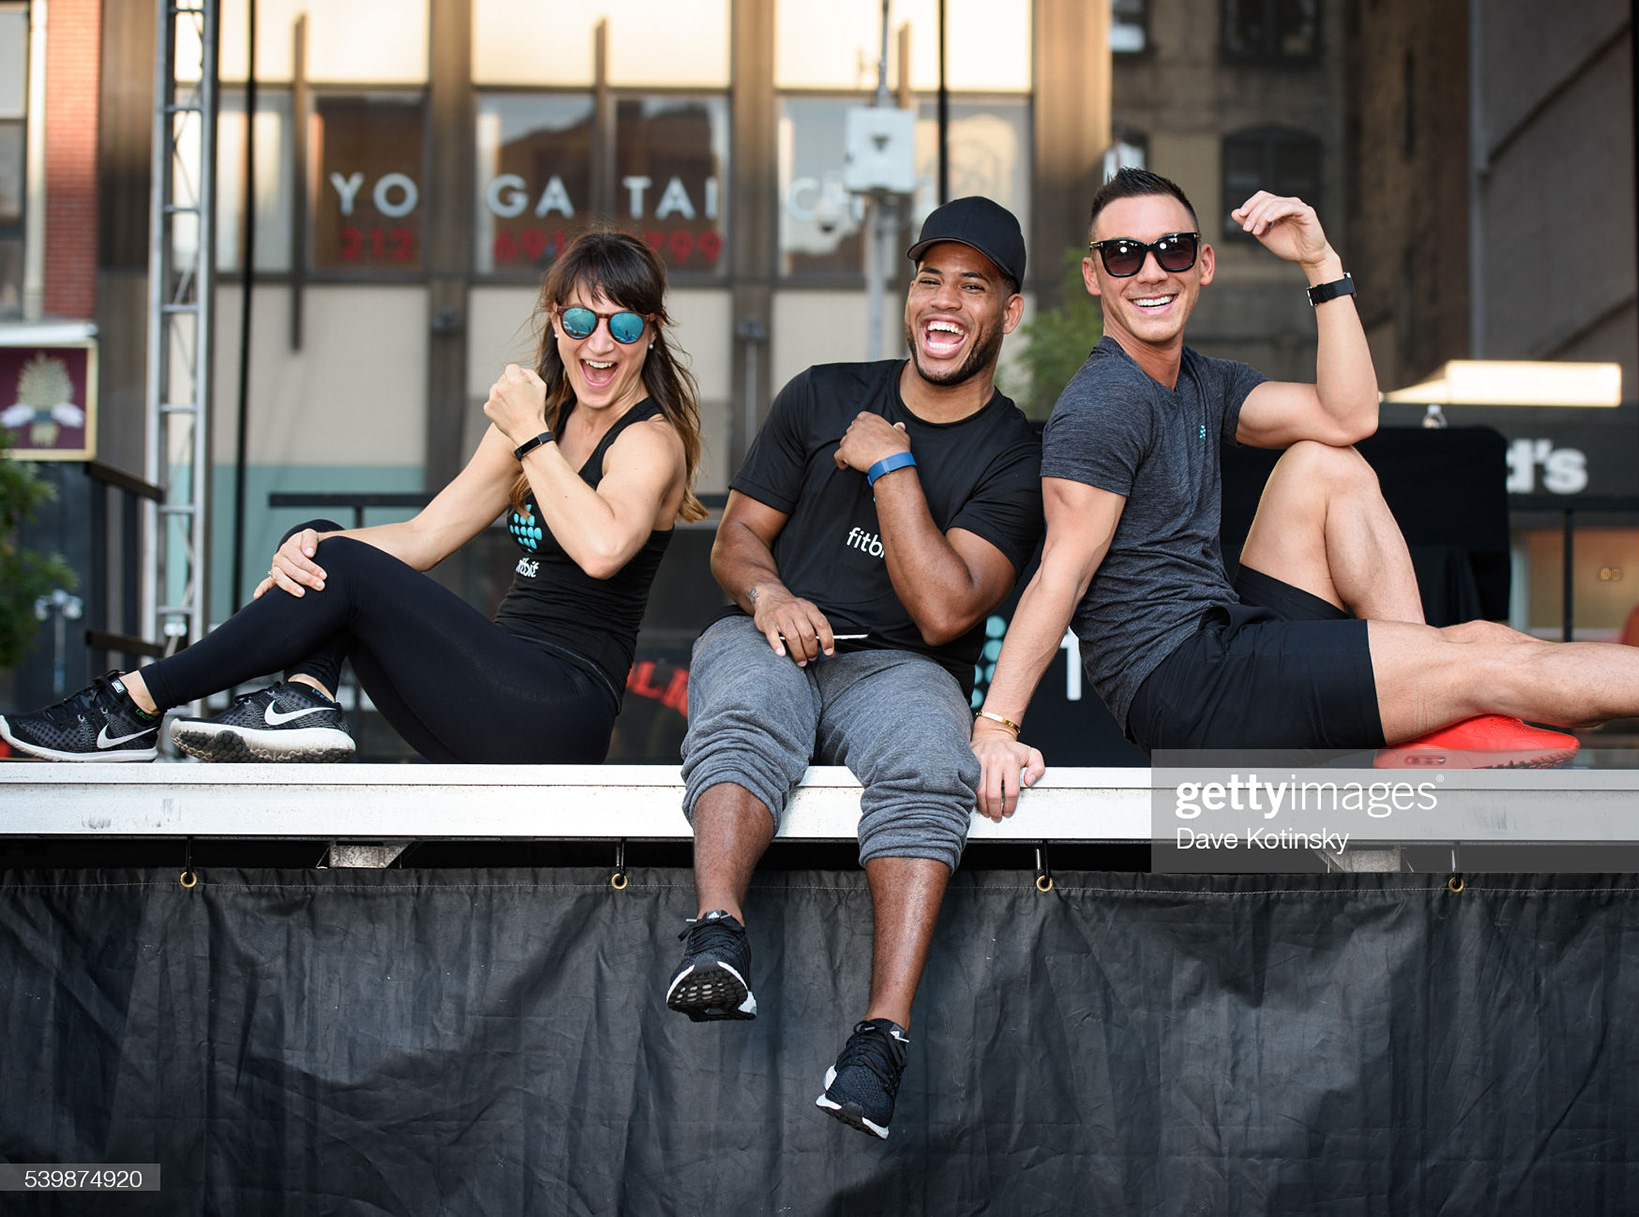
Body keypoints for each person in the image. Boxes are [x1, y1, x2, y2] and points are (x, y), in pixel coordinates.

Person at [968, 167, 1639, 815]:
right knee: (1487, 653)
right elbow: (1061, 572)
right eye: (1124, 256)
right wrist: (997, 726)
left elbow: (1350, 414)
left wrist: (1321, 263)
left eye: (1173, 249)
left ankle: (1432, 718)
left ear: (1203, 265)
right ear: (1094, 277)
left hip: (1222, 639)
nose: (1151, 271)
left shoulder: (1201, 381)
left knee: (1325, 464)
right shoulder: (1105, 401)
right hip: (1189, 687)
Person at [0, 231, 703, 765]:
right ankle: (305, 697)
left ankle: (130, 704)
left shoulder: (648, 441)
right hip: (488, 694)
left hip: (560, 713)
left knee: (341, 560)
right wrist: (309, 553)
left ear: (651, 333)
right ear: (555, 322)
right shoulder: (540, 419)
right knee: (320, 537)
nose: (600, 344)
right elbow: (425, 537)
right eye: (580, 322)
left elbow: (602, 550)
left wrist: (528, 434)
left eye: (623, 325)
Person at [666, 196, 1042, 1140]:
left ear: (1008, 311)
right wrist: (768, 596)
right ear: (909, 294)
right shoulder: (821, 392)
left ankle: (881, 1040)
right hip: (776, 636)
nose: (944, 301)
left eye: (973, 286)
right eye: (930, 279)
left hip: (901, 668)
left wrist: (891, 466)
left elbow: (948, 607)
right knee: (746, 703)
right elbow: (737, 537)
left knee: (930, 758)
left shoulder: (1016, 453)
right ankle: (717, 934)